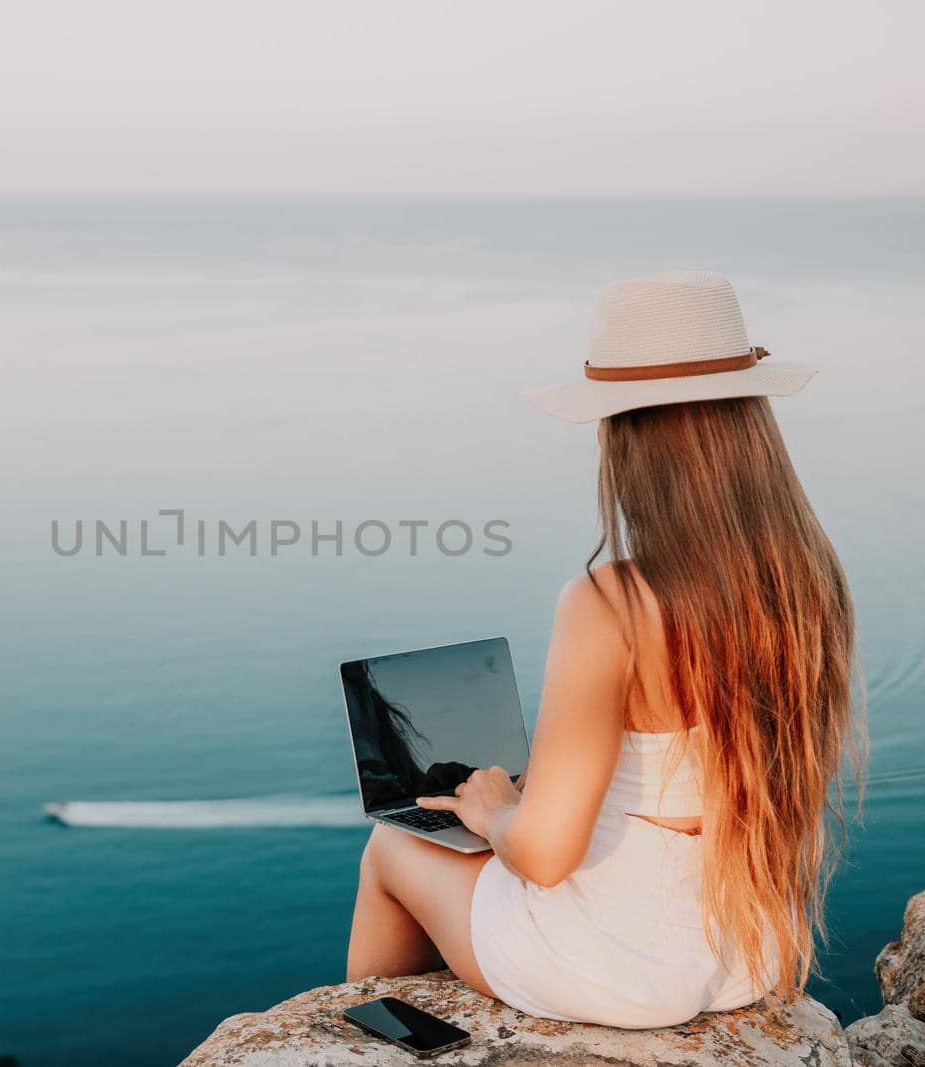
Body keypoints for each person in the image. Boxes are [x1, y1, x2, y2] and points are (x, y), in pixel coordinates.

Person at [346, 271, 864, 1028]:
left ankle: (372, 1036)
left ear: (623, 435)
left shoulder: (609, 602)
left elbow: (548, 854)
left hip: (616, 969)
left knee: (391, 850)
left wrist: (495, 813)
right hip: (746, 953)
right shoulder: (806, 581)